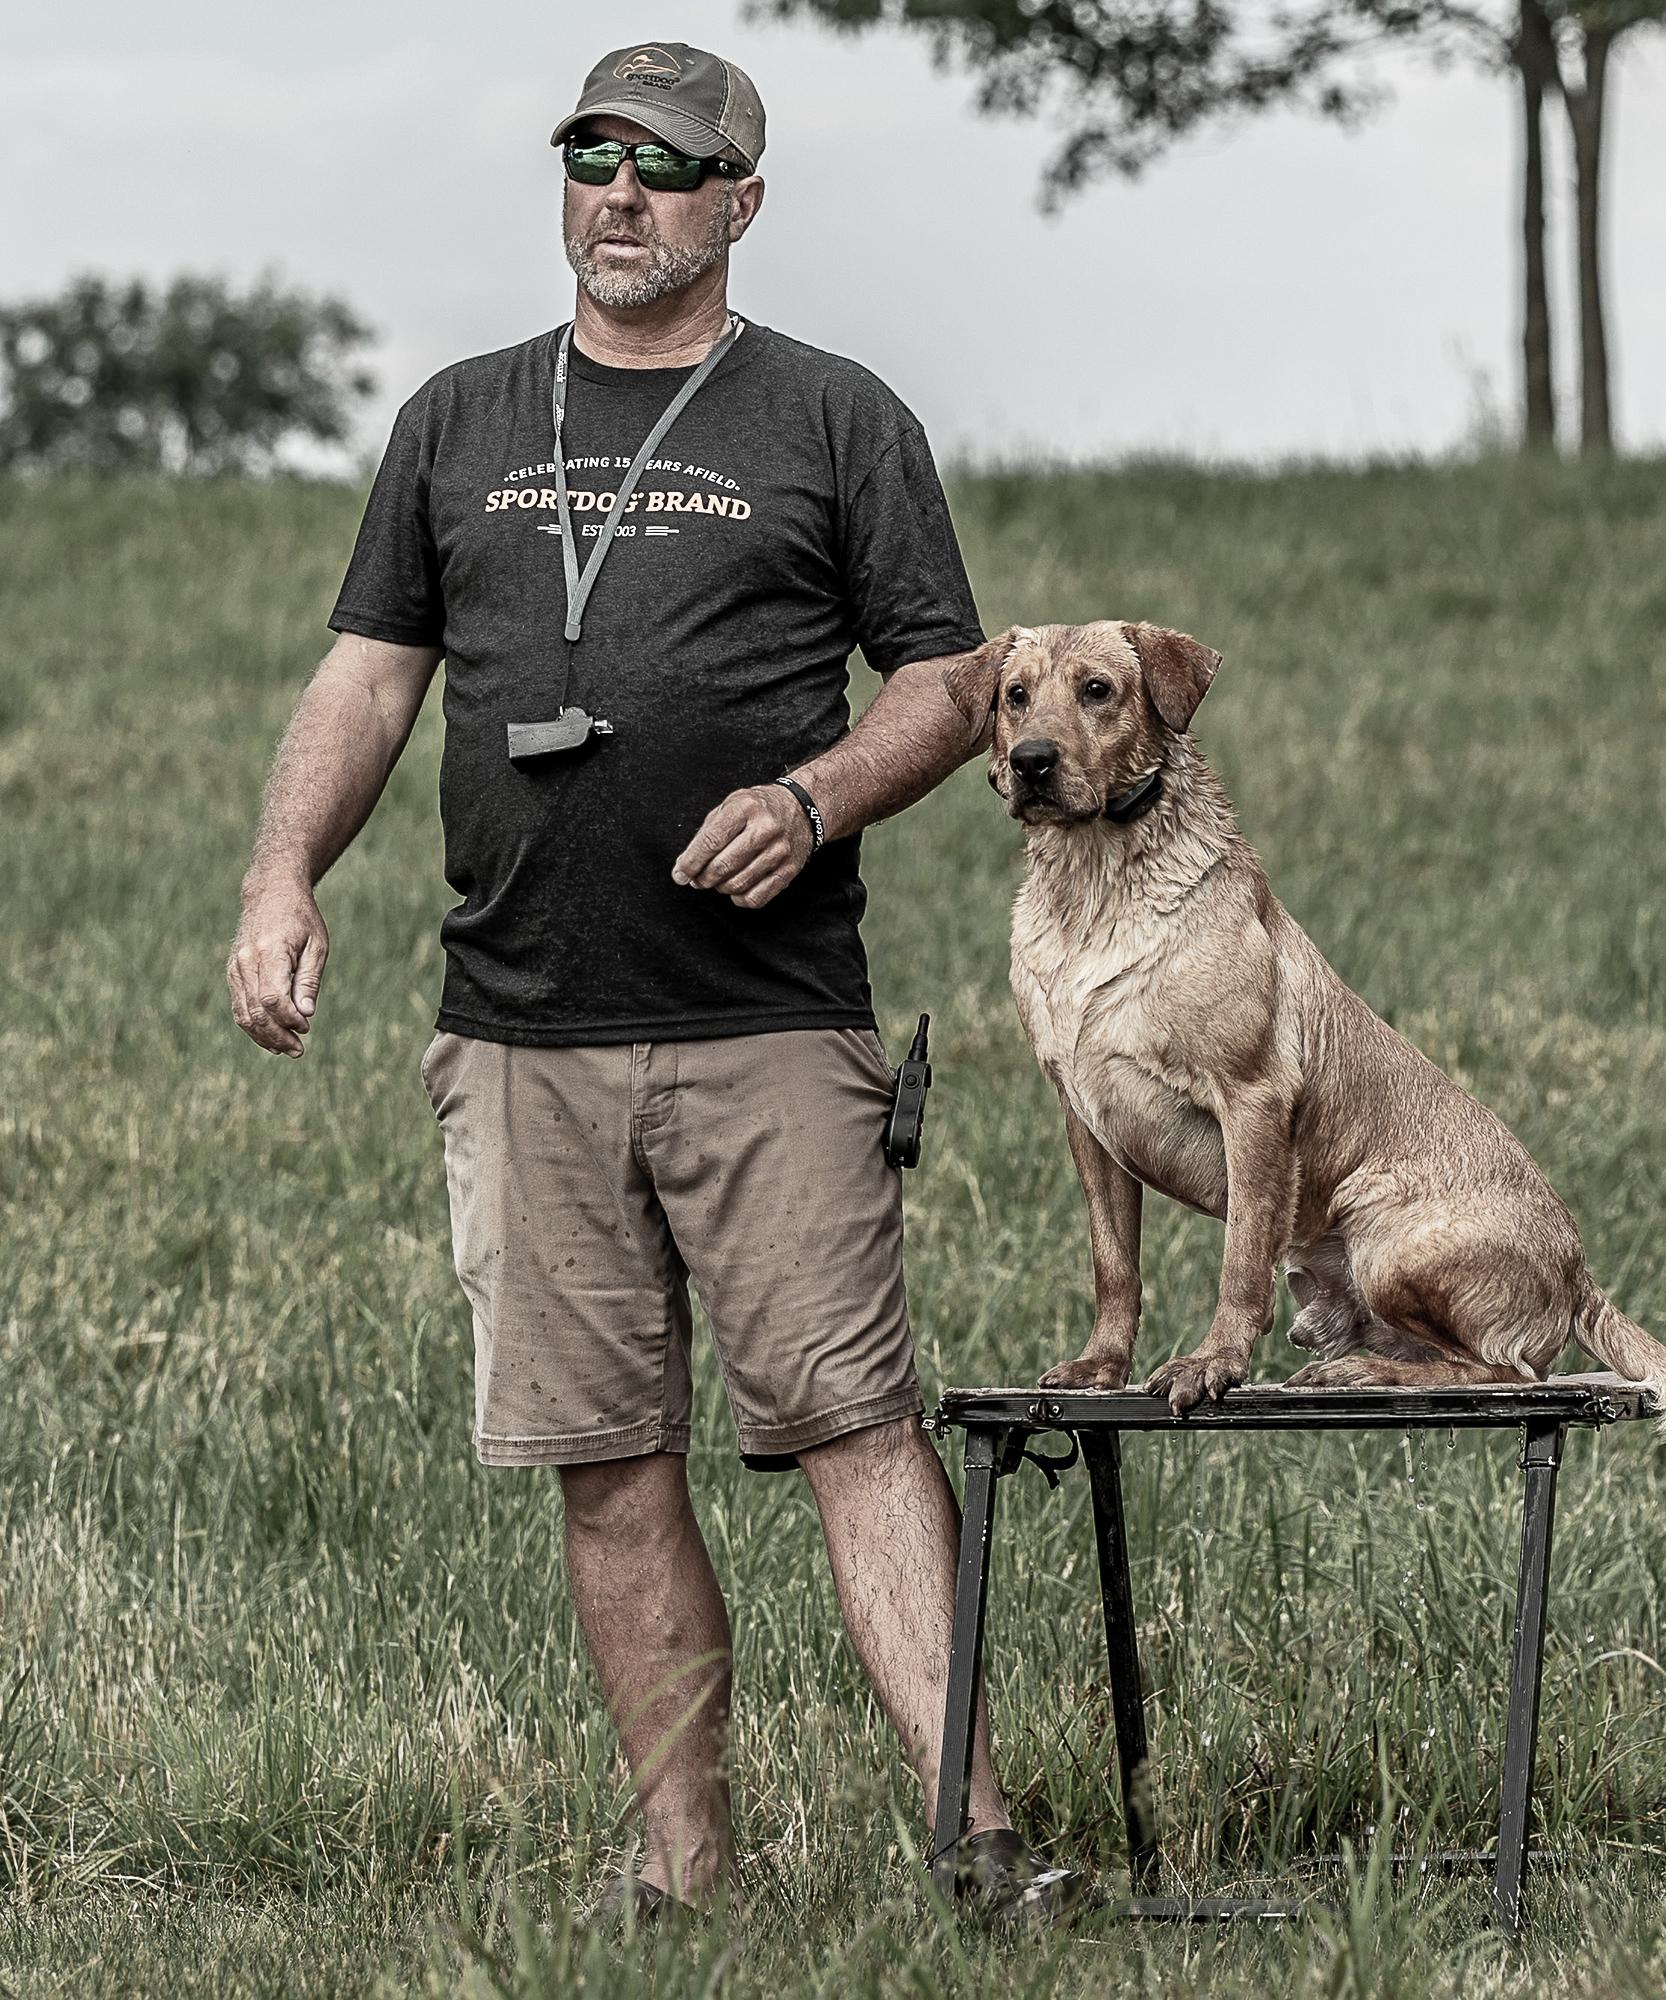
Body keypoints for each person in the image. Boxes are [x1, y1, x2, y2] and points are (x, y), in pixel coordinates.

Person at [226, 40, 1072, 1925]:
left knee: (854, 1428)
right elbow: (370, 678)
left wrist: (813, 794)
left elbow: (950, 679)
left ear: (740, 204)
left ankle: (984, 1852)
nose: (622, 193)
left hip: (769, 1022)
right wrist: (284, 874)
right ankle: (687, 1871)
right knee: (605, 1463)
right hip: (520, 1026)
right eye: (594, 156)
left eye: (668, 168)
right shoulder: (457, 420)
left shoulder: (833, 416)